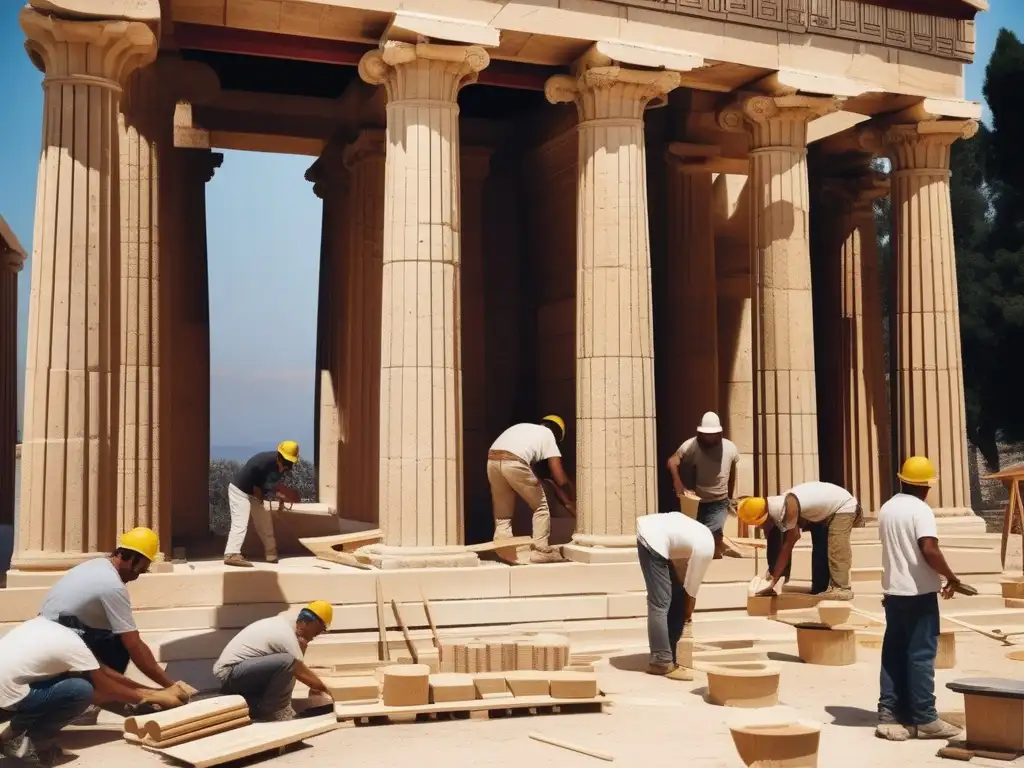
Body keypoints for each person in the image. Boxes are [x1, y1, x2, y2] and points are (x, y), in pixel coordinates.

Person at [38, 527, 194, 724]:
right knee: (120, 646)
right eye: (144, 566)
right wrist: (169, 686)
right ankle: (90, 701)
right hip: (59, 642)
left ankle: (102, 699)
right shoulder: (112, 585)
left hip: (56, 631)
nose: (142, 573)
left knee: (114, 642)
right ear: (132, 559)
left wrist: (157, 691)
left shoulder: (97, 565)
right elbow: (134, 646)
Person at [0, 616, 186, 766]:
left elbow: (103, 673)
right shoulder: (73, 644)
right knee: (79, 689)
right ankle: (29, 740)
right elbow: (104, 685)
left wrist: (152, 692)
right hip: (6, 699)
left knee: (71, 683)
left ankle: (15, 734)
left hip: (5, 693)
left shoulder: (38, 625)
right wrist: (150, 696)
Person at [876, 456, 963, 742]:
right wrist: (951, 577)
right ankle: (925, 718)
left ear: (902, 480)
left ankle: (890, 716)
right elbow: (929, 548)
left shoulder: (887, 508)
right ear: (925, 486)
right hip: (919, 594)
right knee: (921, 656)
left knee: (894, 654)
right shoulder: (920, 510)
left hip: (894, 592)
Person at [738, 481, 863, 600]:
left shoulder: (787, 508)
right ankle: (820, 588)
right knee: (821, 547)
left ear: (764, 517)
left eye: (759, 524)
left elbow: (789, 543)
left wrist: (773, 580)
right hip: (821, 511)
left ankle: (842, 589)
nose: (759, 527)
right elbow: (777, 540)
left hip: (842, 505)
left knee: (836, 546)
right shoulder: (775, 505)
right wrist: (773, 576)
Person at [213, 602, 334, 721]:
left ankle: (263, 707)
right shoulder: (285, 635)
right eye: (317, 631)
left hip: (242, 673)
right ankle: (277, 710)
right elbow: (299, 670)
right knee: (288, 661)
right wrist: (330, 690)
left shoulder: (290, 622)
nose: (316, 635)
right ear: (308, 623)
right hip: (231, 673)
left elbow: (293, 672)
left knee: (288, 663)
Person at [635, 511, 715, 681]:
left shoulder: (699, 538)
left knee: (675, 596)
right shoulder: (706, 550)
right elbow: (691, 594)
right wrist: (687, 618)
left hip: (654, 532)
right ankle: (661, 661)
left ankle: (669, 653)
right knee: (660, 602)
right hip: (652, 539)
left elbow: (682, 584)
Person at [487, 416, 576, 564]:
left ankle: (504, 550)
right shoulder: (548, 435)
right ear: (557, 434)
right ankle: (540, 551)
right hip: (514, 461)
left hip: (492, 460)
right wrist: (571, 495)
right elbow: (559, 475)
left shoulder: (524, 428)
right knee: (541, 507)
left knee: (503, 515)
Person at [666, 412, 741, 559]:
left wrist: (731, 496)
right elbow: (672, 461)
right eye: (706, 435)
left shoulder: (730, 448)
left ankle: (715, 545)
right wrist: (678, 482)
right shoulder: (692, 445)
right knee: (699, 537)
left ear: (719, 433)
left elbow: (732, 472)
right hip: (698, 502)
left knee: (713, 536)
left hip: (719, 500)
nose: (708, 438)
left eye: (712, 435)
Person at [224, 441, 301, 567]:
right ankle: (231, 554)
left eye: (289, 463)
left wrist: (278, 497)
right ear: (279, 456)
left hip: (255, 491)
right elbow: (258, 490)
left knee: (265, 523)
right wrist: (279, 496)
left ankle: (271, 554)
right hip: (240, 491)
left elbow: (270, 485)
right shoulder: (263, 463)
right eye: (285, 463)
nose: (286, 467)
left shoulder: (281, 465)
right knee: (240, 523)